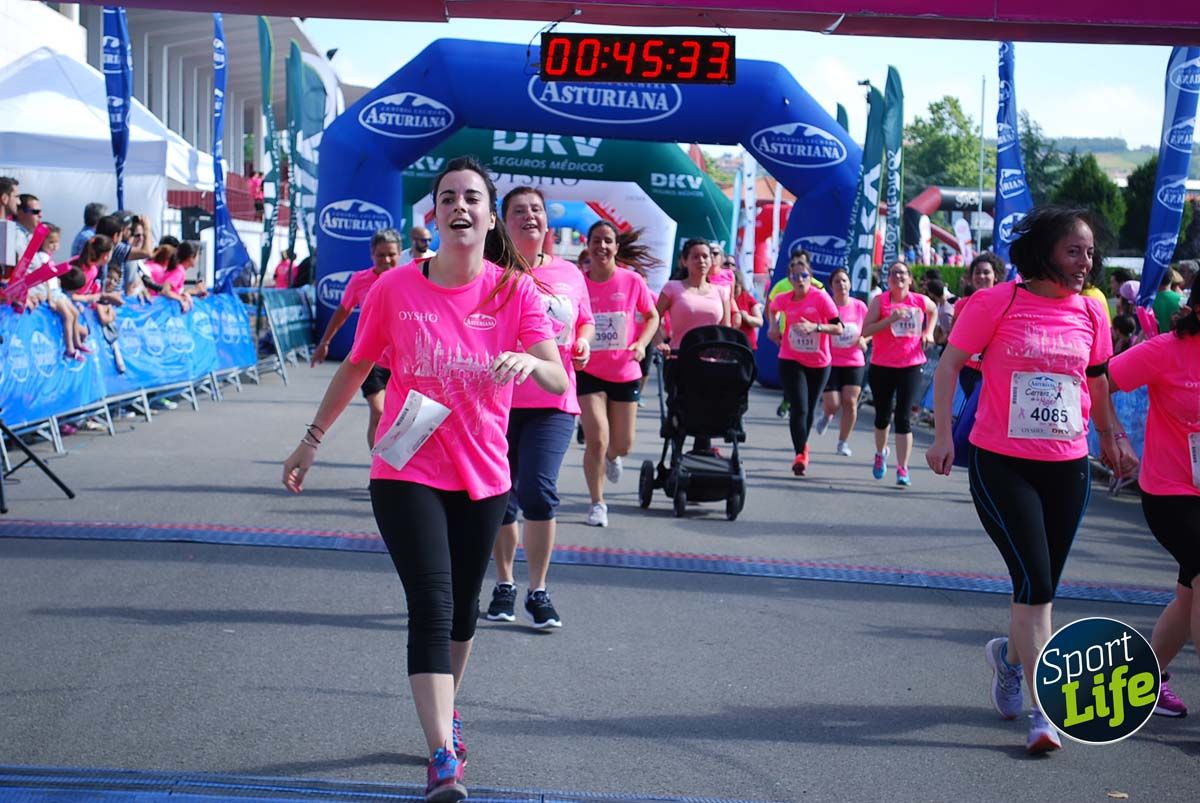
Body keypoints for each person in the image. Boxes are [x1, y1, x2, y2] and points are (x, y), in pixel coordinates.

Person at [282, 156, 565, 803]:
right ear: (433, 215)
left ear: (489, 216)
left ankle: (447, 711)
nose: (460, 206)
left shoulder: (514, 291)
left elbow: (555, 375)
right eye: (448, 198)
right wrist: (312, 439)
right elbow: (356, 368)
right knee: (433, 605)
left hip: (484, 476)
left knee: (464, 611)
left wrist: (529, 357)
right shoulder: (396, 289)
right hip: (406, 468)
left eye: (472, 197)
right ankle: (442, 756)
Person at [926, 205, 1138, 754]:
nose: (1085, 263)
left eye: (1090, 253)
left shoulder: (1091, 312)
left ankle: (1008, 657)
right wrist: (944, 434)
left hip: (1067, 466)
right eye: (1074, 251)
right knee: (1037, 584)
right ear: (1045, 251)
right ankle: (1047, 714)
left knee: (1036, 587)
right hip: (1002, 463)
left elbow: (1096, 380)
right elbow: (949, 366)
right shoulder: (996, 301)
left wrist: (1112, 437)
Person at [487, 187, 594, 629]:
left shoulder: (570, 273)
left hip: (553, 399)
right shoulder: (490, 273)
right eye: (519, 211)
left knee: (538, 490)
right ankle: (506, 583)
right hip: (499, 399)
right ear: (502, 222)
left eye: (537, 210)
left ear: (548, 222)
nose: (529, 216)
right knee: (500, 498)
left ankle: (539, 590)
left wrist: (584, 340)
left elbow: (583, 317)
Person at [1109, 271, 1200, 720]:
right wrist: (1117, 437)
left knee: (1189, 597)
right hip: (1169, 492)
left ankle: (1145, 681)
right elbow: (1098, 382)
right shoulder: (1166, 350)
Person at [577, 220, 660, 527]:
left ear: (616, 246)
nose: (602, 246)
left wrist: (641, 343)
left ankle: (613, 457)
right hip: (588, 371)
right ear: (588, 244)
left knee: (622, 443)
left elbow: (652, 315)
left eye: (608, 241)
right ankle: (597, 503)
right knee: (596, 439)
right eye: (596, 240)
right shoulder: (578, 283)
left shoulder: (632, 281)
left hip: (624, 370)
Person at [310, 229, 403, 448]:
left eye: (391, 254)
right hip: (371, 360)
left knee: (399, 418)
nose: (387, 260)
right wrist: (325, 342)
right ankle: (378, 471)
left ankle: (395, 469)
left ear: (400, 254)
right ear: (372, 254)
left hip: (402, 360)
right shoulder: (360, 280)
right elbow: (342, 312)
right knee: (378, 411)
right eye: (381, 255)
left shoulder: (411, 278)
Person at [861, 260, 937, 486]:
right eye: (894, 273)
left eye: (903, 273)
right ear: (888, 279)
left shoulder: (919, 301)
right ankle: (880, 452)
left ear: (910, 279)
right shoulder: (880, 301)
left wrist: (928, 333)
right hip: (882, 365)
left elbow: (933, 311)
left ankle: (902, 468)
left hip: (911, 364)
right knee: (883, 416)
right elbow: (866, 330)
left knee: (903, 418)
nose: (898, 277)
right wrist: (890, 319)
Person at [767, 253, 842, 475]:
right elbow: (772, 308)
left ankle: (803, 444)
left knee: (809, 406)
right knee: (799, 407)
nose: (800, 280)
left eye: (804, 275)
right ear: (789, 279)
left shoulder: (821, 298)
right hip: (790, 358)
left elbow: (838, 327)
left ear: (810, 277)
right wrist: (773, 326)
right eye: (795, 276)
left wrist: (816, 328)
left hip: (819, 361)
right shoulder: (784, 298)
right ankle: (800, 453)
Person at [657, 237, 731, 455]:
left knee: (707, 410)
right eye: (695, 256)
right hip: (679, 359)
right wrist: (660, 342)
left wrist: (727, 353)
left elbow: (725, 329)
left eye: (705, 256)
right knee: (681, 409)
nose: (701, 261)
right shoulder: (673, 288)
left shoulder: (721, 291)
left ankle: (701, 455)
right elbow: (653, 318)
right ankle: (677, 455)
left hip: (711, 362)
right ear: (684, 261)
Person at [815, 267, 869, 457]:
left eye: (844, 281)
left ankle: (842, 442)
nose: (841, 284)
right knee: (833, 403)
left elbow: (869, 329)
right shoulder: (827, 307)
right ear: (831, 286)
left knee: (850, 402)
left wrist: (864, 339)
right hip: (831, 360)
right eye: (837, 281)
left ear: (850, 284)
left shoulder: (860, 307)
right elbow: (819, 329)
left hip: (854, 361)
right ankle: (827, 415)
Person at [24, 224, 87, 359]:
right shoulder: (42, 257)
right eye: (51, 242)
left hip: (57, 292)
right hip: (53, 294)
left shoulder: (48, 257)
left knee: (75, 314)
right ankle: (69, 348)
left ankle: (77, 343)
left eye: (56, 242)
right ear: (42, 242)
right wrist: (51, 298)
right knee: (68, 317)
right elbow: (44, 279)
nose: (54, 245)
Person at [949, 253, 1003, 398]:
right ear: (971, 278)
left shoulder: (1005, 304)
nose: (981, 276)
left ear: (995, 276)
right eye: (977, 272)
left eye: (986, 272)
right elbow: (953, 337)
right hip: (970, 370)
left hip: (996, 370)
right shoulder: (961, 305)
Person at [730, 261, 763, 350]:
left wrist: (747, 317)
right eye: (731, 287)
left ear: (741, 285)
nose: (734, 290)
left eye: (736, 287)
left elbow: (760, 322)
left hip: (747, 345)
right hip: (729, 343)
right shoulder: (724, 298)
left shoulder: (748, 298)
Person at [1153, 269, 1185, 334]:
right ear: (1172, 278)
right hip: (1176, 340)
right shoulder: (1182, 299)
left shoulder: (1148, 301)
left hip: (1154, 341)